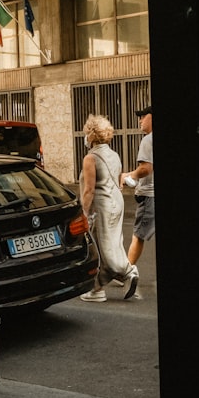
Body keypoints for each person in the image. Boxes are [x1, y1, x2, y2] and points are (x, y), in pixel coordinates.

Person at [79, 114, 139, 302]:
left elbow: (89, 190)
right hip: (117, 201)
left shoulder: (91, 158)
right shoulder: (114, 155)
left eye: (86, 133)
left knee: (103, 247)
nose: (85, 137)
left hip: (102, 205)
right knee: (112, 243)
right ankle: (97, 289)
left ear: (91, 135)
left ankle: (128, 271)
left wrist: (83, 212)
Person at [120, 105, 154, 272]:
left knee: (138, 235)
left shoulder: (148, 140)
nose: (140, 120)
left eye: (143, 116)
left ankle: (126, 272)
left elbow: (145, 169)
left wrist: (128, 176)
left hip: (149, 196)